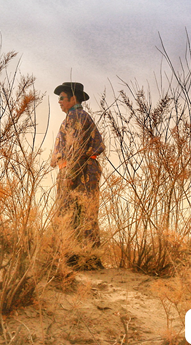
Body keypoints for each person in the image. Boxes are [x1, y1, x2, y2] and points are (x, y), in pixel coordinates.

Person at [50, 82, 105, 270]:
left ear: (73, 99)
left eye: (62, 98)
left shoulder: (76, 116)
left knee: (72, 213)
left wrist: (70, 174)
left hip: (78, 171)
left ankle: (77, 259)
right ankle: (84, 258)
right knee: (85, 213)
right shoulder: (77, 116)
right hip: (82, 170)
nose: (59, 102)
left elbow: (75, 148)